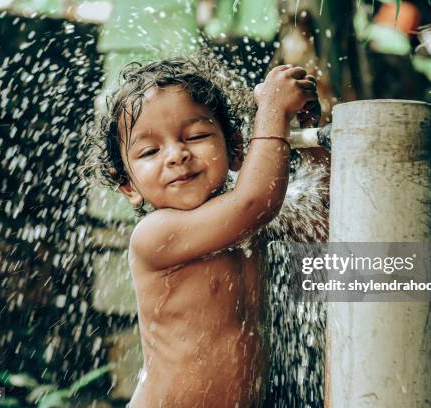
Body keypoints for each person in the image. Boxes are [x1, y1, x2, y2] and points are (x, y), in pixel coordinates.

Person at [92, 58, 324, 407]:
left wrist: (310, 142)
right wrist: (273, 111)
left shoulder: (244, 221)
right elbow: (255, 201)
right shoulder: (155, 235)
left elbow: (321, 223)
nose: (177, 155)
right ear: (128, 186)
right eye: (150, 151)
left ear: (235, 149)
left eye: (197, 136)